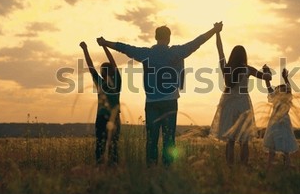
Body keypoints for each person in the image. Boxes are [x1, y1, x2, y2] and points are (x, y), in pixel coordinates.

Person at [97, 22, 223, 166]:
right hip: (170, 102)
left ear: (156, 37)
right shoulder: (176, 52)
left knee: (152, 140)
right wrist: (214, 29)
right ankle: (167, 169)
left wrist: (105, 42)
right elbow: (197, 42)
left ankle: (151, 168)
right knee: (169, 139)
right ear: (168, 38)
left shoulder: (146, 53)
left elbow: (125, 48)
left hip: (151, 102)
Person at [210, 30, 272, 165]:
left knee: (230, 141)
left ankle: (230, 167)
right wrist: (266, 71)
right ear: (244, 56)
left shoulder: (226, 67)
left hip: (229, 105)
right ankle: (244, 166)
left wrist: (217, 33)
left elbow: (219, 50)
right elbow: (267, 77)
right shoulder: (247, 69)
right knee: (244, 140)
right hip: (243, 105)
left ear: (232, 55)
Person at [80, 41, 121, 166]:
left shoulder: (112, 81)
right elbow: (92, 66)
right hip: (110, 118)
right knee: (109, 144)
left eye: (103, 70)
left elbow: (93, 66)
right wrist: (89, 49)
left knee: (103, 144)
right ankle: (107, 166)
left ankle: (103, 166)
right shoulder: (114, 81)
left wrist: (86, 49)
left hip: (105, 117)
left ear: (104, 72)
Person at [262, 65, 298, 170]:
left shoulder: (280, 99)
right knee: (282, 145)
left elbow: (269, 87)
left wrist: (285, 78)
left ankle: (272, 165)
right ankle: (283, 164)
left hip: (277, 123)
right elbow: (271, 87)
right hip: (281, 123)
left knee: (274, 146)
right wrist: (286, 78)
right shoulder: (286, 99)